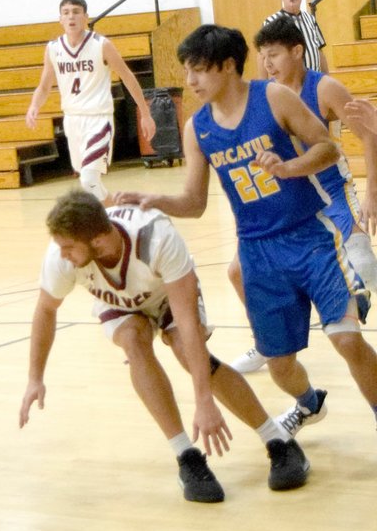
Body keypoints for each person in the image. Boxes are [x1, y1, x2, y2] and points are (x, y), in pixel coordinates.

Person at [113, 24, 377, 440]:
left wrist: (289, 167)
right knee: (279, 365)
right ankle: (310, 402)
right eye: (187, 71)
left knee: (346, 339)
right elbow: (195, 203)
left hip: (312, 235)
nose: (190, 81)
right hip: (258, 252)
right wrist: (152, 200)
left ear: (229, 65)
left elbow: (327, 146)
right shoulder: (196, 129)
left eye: (198, 70)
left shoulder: (273, 97)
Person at [18, 190, 309, 504]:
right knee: (133, 341)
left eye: (69, 249)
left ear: (99, 241)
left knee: (186, 349)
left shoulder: (156, 238)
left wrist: (204, 399)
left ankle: (277, 440)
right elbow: (46, 310)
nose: (62, 255)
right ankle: (186, 455)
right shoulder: (62, 254)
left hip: (168, 292)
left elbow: (187, 323)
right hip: (121, 303)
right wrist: (35, 377)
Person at [230, 17, 377, 375]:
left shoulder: (325, 88)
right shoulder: (264, 94)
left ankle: (351, 293)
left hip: (332, 192)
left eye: (274, 54)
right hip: (288, 198)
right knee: (237, 271)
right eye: (263, 56)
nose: (267, 63)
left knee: (365, 264)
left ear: (297, 51)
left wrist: (372, 191)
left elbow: (369, 134)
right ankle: (266, 342)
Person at [26, 0, 156, 206]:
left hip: (98, 119)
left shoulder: (101, 44)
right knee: (89, 182)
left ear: (86, 17)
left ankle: (117, 218)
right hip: (72, 120)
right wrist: (34, 105)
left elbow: (127, 77)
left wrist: (146, 113)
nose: (71, 17)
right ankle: (122, 210)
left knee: (89, 179)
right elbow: (44, 85)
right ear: (60, 19)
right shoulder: (53, 48)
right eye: (66, 13)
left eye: (76, 12)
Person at [258, 0, 328, 78]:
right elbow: (262, 56)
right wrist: (263, 86)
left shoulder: (311, 19)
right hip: (287, 85)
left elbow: (319, 50)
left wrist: (326, 78)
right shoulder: (271, 22)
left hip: (314, 82)